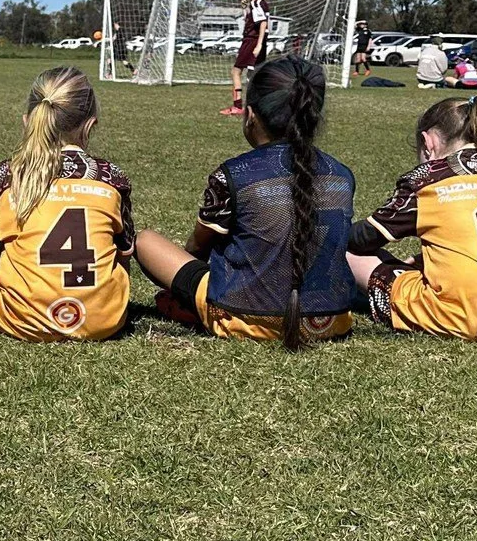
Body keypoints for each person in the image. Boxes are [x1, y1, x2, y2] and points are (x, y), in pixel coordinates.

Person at [133, 56, 355, 348]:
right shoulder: (342, 174)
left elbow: (198, 247)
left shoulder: (235, 174)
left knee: (146, 241)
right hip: (329, 320)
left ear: (250, 115)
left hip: (246, 316)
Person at [0, 66, 136, 342]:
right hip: (105, 320)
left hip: (22, 318)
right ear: (91, 124)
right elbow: (123, 255)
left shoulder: (7, 176)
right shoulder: (112, 179)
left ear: (28, 120)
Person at [348, 96, 477, 342]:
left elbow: (362, 240)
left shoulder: (429, 180)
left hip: (461, 319)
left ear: (428, 142)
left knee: (348, 252)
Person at [225, 0, 272, 117]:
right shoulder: (261, 4)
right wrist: (245, 8)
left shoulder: (256, 3)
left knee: (236, 71)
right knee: (253, 75)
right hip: (256, 41)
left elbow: (263, 23)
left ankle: (238, 106)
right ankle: (255, 106)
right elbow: (253, 21)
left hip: (252, 41)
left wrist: (258, 44)